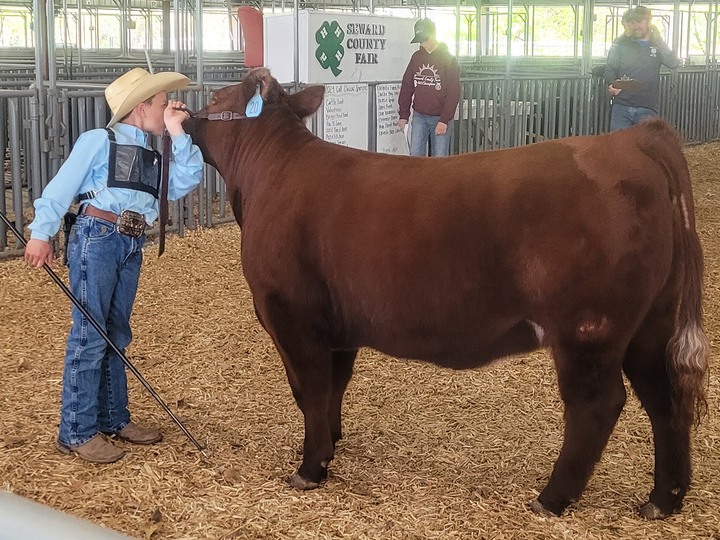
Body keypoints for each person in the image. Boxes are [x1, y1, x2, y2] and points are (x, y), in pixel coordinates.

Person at [24, 68, 204, 463]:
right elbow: (62, 186)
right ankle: (76, 430)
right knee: (90, 335)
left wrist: (177, 131)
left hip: (131, 244)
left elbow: (187, 179)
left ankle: (114, 418)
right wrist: (41, 232)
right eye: (162, 104)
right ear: (141, 108)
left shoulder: (157, 153)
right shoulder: (97, 141)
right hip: (97, 237)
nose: (168, 108)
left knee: (116, 333)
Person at [605, 6, 680, 131]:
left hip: (647, 106)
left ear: (649, 23)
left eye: (640, 22)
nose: (636, 26)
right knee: (619, 147)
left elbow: (673, 63)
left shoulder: (657, 45)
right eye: (634, 22)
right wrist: (612, 84)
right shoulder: (621, 42)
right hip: (622, 105)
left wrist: (659, 40)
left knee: (644, 148)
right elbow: (610, 67)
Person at [397, 18, 461, 157]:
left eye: (425, 39)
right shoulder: (416, 57)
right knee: (415, 155)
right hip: (419, 115)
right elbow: (407, 86)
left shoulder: (448, 59)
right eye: (420, 40)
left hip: (440, 117)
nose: (422, 43)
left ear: (434, 35)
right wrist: (404, 115)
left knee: (439, 158)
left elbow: (454, 91)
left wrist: (444, 120)